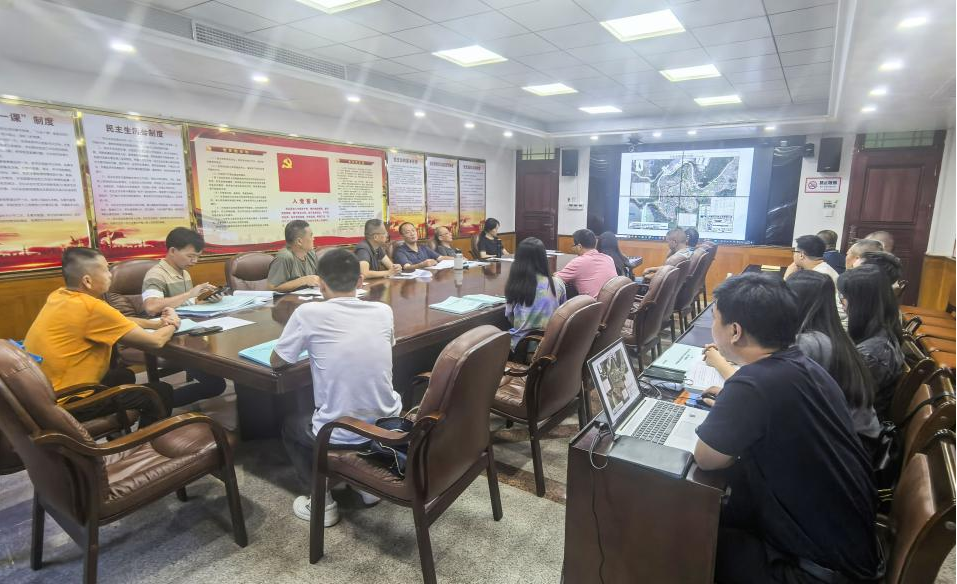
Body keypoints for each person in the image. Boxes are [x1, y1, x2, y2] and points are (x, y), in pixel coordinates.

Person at [693, 273, 880, 584]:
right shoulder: (807, 367)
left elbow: (706, 458)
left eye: (715, 318)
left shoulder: (753, 383)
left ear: (735, 331)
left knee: (684, 533)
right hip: (850, 546)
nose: (712, 327)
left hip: (812, 570)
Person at [270, 248, 402, 526]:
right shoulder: (383, 310)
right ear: (360, 282)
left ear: (320, 284)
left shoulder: (308, 313)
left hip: (343, 432)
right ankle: (367, 486)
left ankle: (322, 503)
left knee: (292, 425)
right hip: (387, 425)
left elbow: (277, 361)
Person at [23, 248, 176, 425]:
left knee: (123, 375)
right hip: (69, 403)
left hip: (43, 395)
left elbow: (118, 320)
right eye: (105, 270)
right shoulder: (92, 308)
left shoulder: (60, 296)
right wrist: (173, 322)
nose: (110, 275)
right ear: (87, 281)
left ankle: (118, 430)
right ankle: (148, 438)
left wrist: (155, 324)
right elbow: (156, 341)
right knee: (160, 392)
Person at [785, 271, 880, 443]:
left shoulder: (808, 343)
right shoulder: (834, 334)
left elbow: (776, 390)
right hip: (858, 435)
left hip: (846, 443)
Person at [141, 227, 227, 403]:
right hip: (169, 338)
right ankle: (159, 403)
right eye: (190, 256)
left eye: (197, 257)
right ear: (173, 251)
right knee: (216, 384)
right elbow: (151, 307)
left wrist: (207, 299)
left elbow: (185, 304)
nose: (194, 261)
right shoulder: (156, 274)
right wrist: (190, 294)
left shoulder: (184, 272)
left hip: (188, 332)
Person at [838, 265, 904, 419]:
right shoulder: (881, 329)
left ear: (861, 302)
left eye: (844, 296)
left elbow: (842, 401)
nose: (841, 302)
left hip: (856, 426)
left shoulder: (873, 353)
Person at [504, 237, 566, 352]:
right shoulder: (557, 283)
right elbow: (563, 311)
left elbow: (510, 317)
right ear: (543, 258)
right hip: (551, 344)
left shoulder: (516, 285)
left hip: (522, 347)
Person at [784, 234, 846, 325]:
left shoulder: (816, 276)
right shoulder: (823, 268)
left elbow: (787, 302)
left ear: (801, 255)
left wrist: (787, 277)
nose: (793, 255)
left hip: (824, 324)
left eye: (794, 251)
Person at [554, 228, 618, 299]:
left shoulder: (578, 262)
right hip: (614, 302)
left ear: (579, 247)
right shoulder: (608, 259)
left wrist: (556, 273)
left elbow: (556, 279)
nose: (572, 248)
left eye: (573, 245)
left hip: (594, 304)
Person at [267, 220, 322, 292]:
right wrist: (303, 280)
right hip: (289, 298)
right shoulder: (284, 257)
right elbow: (272, 287)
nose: (313, 238)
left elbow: (319, 278)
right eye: (311, 235)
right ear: (299, 241)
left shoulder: (310, 253)